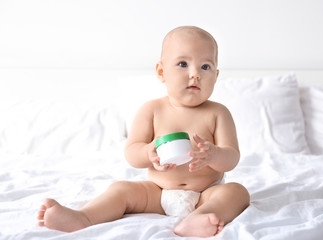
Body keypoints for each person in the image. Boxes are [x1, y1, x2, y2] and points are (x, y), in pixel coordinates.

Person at [37, 26, 250, 238]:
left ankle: (200, 217)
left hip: (206, 192)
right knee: (121, 189)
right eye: (183, 64)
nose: (195, 74)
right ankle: (84, 217)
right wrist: (149, 153)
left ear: (216, 75)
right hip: (157, 193)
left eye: (205, 67)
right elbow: (132, 152)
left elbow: (232, 157)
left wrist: (214, 155)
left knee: (237, 193)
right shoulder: (152, 110)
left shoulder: (218, 113)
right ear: (161, 71)